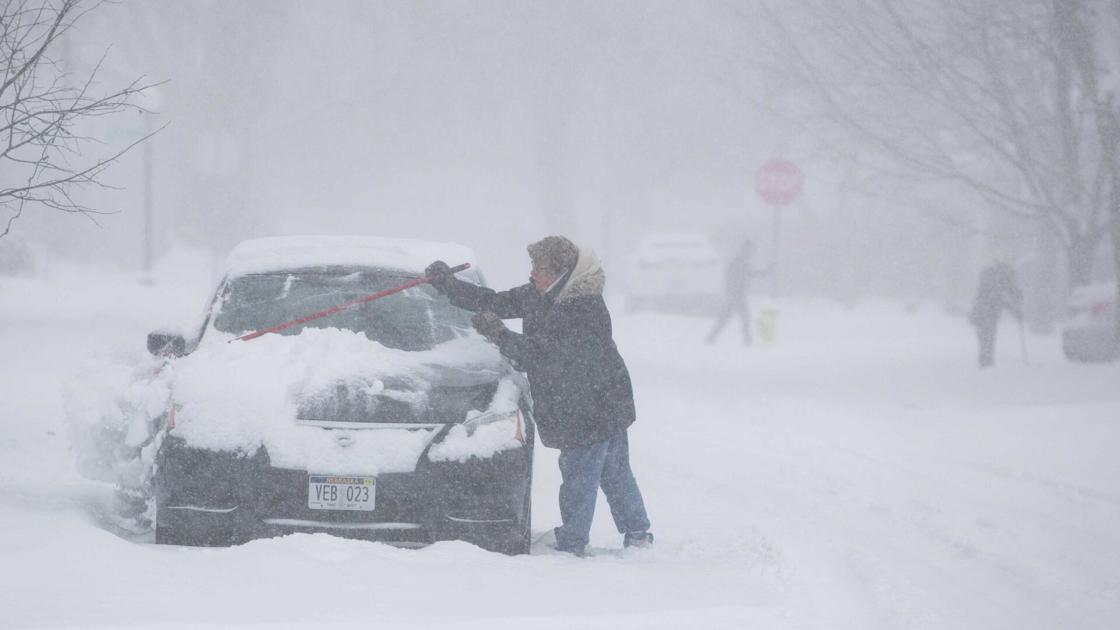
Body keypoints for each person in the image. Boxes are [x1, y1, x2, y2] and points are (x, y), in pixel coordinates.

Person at [425, 236, 652, 556]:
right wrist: (449, 285)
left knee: (580, 474)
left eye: (539, 268)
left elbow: (544, 356)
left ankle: (572, 542)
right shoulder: (542, 292)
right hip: (603, 399)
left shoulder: (583, 308)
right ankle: (638, 532)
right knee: (614, 471)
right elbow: (497, 301)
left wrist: (498, 334)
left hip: (590, 404)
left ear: (560, 272)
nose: (532, 273)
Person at [706, 237, 767, 345]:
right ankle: (747, 341)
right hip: (737, 294)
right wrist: (735, 287)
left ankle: (712, 337)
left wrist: (764, 272)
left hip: (736, 293)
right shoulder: (740, 260)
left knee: (727, 317)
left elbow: (748, 272)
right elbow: (744, 273)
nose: (753, 252)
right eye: (752, 249)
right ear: (747, 249)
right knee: (744, 317)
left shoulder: (741, 260)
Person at [968, 259, 1023, 368]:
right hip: (986, 312)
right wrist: (1015, 309)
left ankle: (986, 363)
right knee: (987, 338)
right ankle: (986, 363)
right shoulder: (998, 277)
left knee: (986, 338)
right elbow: (1002, 296)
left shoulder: (993, 275)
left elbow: (1005, 293)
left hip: (982, 312)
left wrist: (1015, 301)